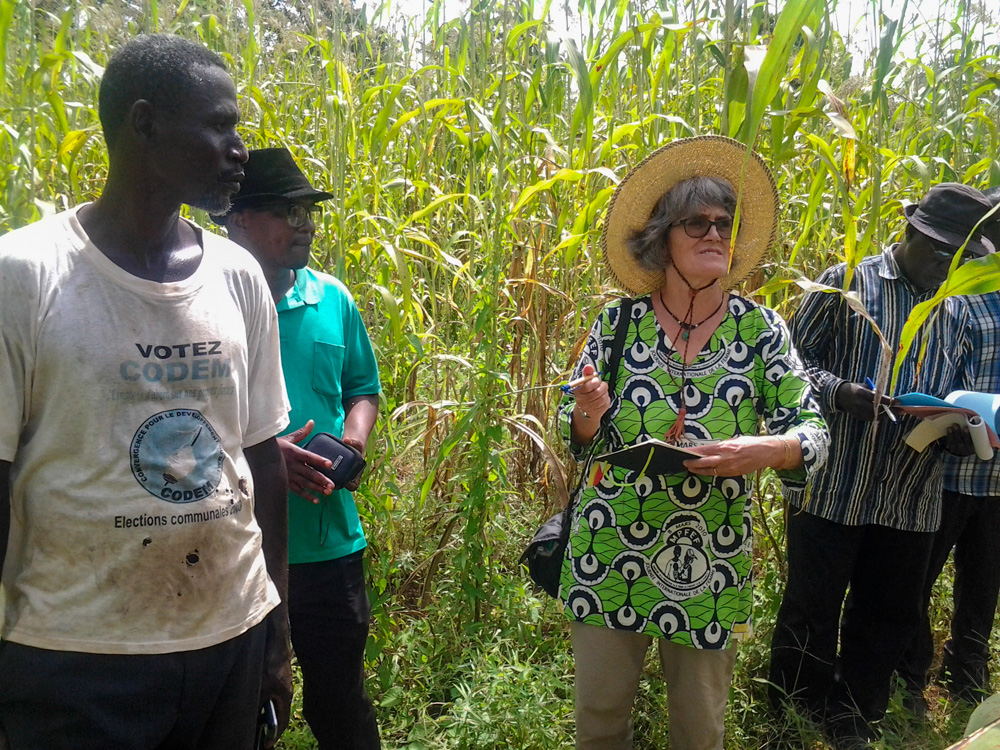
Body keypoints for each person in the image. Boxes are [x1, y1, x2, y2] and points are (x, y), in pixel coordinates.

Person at [0, 34, 293, 749]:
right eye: (219, 125)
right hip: (77, 656)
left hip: (229, 635)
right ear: (144, 122)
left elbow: (263, 464)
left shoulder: (236, 275)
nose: (238, 149)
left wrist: (275, 632)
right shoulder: (25, 275)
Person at [559, 135, 830, 750]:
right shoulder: (618, 323)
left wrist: (761, 450)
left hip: (708, 557)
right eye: (696, 223)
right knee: (599, 721)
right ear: (662, 238)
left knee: (700, 729)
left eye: (724, 223)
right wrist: (588, 415)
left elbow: (813, 431)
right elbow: (572, 430)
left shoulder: (761, 330)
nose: (714, 234)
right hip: (610, 553)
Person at [767, 183, 995, 748]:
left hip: (909, 494)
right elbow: (790, 373)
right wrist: (840, 392)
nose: (949, 268)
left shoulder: (957, 310)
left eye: (962, 259)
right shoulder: (846, 284)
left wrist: (958, 434)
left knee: (886, 614)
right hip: (834, 484)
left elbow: (954, 395)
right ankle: (793, 716)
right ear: (911, 232)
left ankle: (854, 718)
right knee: (811, 609)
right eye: (942, 253)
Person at [219, 148, 382, 749]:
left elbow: (362, 387)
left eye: (309, 209)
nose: (305, 222)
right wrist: (264, 458)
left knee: (342, 701)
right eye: (288, 210)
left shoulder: (331, 298)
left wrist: (352, 440)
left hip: (328, 543)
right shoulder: (207, 304)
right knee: (242, 708)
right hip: (235, 548)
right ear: (237, 218)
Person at [897, 186, 1000, 708]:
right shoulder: (954, 295)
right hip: (951, 469)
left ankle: (968, 671)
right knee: (919, 573)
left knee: (985, 580)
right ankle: (910, 678)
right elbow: (933, 372)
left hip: (999, 478)